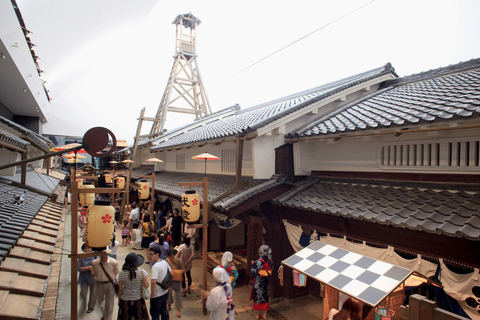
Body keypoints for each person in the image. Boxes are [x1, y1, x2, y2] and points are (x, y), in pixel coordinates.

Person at [117, 252, 149, 320]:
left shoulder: (122, 274)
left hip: (125, 300)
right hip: (138, 299)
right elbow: (147, 285)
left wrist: (119, 299)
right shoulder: (142, 272)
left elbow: (120, 289)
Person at [91, 252, 120, 320]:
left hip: (110, 283)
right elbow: (93, 273)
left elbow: (115, 272)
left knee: (109, 304)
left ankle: (108, 318)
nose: (103, 256)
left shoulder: (114, 262)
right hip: (99, 283)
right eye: (101, 254)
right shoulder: (95, 263)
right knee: (100, 303)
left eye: (105, 254)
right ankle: (105, 316)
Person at [250, 245, 273, 320]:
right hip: (266, 282)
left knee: (258, 298)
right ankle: (264, 315)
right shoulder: (270, 261)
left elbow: (252, 273)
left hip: (258, 283)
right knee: (265, 297)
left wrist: (253, 264)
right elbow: (272, 269)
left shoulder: (257, 262)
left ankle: (257, 315)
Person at [149, 246, 171, 320]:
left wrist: (152, 294)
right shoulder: (164, 262)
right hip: (164, 292)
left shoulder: (155, 267)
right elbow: (171, 273)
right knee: (164, 311)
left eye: (151, 254)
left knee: (155, 314)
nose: (150, 256)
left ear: (157, 254)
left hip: (157, 294)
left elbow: (153, 282)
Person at [77, 243, 96, 315]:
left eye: (89, 248)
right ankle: (83, 306)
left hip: (93, 277)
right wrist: (88, 268)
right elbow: (79, 268)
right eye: (86, 248)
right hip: (84, 278)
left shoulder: (95, 256)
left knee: (93, 293)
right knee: (83, 293)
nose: (88, 250)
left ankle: (91, 307)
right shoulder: (81, 258)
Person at [166, 248, 185, 318]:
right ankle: (169, 305)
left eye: (171, 256)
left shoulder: (178, 261)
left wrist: (178, 272)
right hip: (169, 279)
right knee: (169, 293)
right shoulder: (166, 262)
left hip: (177, 278)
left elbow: (183, 268)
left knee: (178, 295)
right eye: (169, 256)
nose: (170, 258)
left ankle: (178, 310)